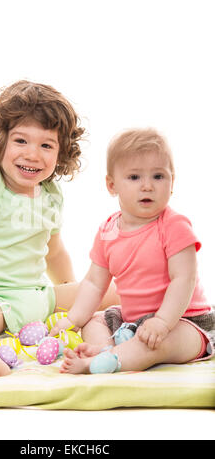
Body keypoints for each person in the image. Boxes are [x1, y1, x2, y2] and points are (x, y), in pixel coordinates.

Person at [0, 80, 119, 378]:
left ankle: (168, 313)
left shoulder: (51, 193)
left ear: (61, 152)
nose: (32, 154)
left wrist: (73, 293)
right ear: (1, 141)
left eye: (46, 145)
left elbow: (54, 253)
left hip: (41, 297)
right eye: (21, 141)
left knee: (109, 288)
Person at [50, 128, 215, 374]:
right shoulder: (107, 231)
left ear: (172, 183)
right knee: (94, 322)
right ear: (112, 185)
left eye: (158, 177)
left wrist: (162, 321)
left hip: (183, 320)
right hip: (130, 322)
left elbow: (184, 279)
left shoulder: (174, 225)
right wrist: (73, 319)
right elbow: (95, 283)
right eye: (135, 177)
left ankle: (105, 362)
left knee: (160, 344)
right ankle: (105, 350)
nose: (147, 186)